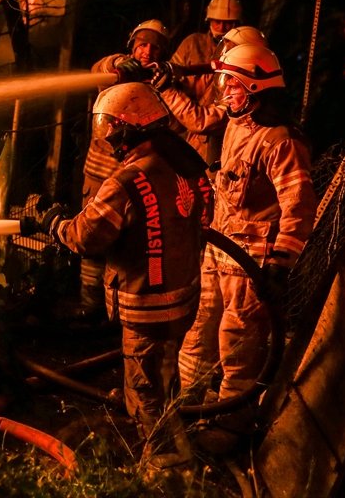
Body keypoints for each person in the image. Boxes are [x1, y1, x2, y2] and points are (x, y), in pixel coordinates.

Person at [42, 82, 211, 469]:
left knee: (144, 393)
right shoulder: (186, 166)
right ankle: (170, 442)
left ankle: (163, 470)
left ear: (126, 129)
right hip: (182, 298)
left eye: (110, 128)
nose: (107, 137)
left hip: (145, 307)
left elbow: (86, 236)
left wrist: (54, 224)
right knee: (164, 378)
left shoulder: (125, 182)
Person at [176, 43, 318, 453]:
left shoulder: (280, 142)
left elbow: (298, 207)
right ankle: (189, 407)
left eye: (233, 85)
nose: (225, 93)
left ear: (256, 88)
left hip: (250, 263)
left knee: (236, 343)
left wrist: (281, 262)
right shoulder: (239, 124)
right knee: (197, 329)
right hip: (217, 250)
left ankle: (231, 424)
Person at [73, 19, 172, 320]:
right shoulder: (116, 70)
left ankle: (111, 313)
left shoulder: (159, 83)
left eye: (154, 47)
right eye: (142, 44)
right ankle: (88, 306)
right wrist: (119, 63)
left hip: (132, 177)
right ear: (132, 45)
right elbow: (98, 69)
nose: (147, 51)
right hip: (100, 173)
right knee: (90, 235)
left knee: (124, 243)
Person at [152, 25, 268, 166]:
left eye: (231, 52)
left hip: (219, 165)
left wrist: (168, 90)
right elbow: (195, 84)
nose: (224, 57)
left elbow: (202, 121)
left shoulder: (247, 96)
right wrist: (174, 74)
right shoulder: (226, 80)